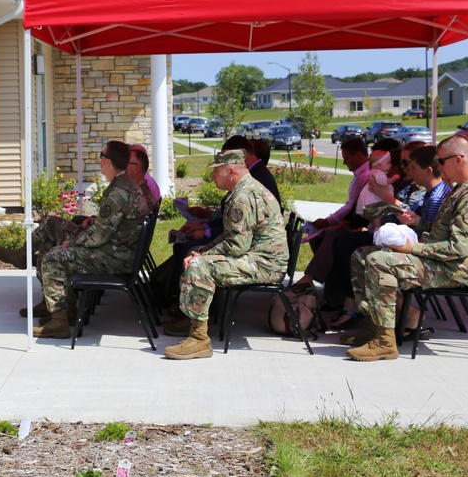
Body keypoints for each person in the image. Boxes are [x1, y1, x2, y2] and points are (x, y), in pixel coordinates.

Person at [345, 135, 468, 362]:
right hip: (440, 262)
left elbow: (458, 249)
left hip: (455, 270)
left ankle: (385, 342)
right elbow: (441, 233)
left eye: (441, 161)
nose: (437, 167)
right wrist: (418, 222)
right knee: (362, 255)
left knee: (380, 261)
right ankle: (375, 327)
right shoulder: (459, 191)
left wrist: (411, 248)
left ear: (458, 160)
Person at [164, 149, 287, 360]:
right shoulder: (244, 189)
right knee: (198, 258)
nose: (212, 176)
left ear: (230, 171)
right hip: (257, 257)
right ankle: (193, 320)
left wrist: (201, 258)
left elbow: (236, 245)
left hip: (265, 264)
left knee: (198, 267)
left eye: (216, 171)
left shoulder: (243, 196)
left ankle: (199, 339)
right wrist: (203, 250)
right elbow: (229, 235)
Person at [325, 144, 451, 331]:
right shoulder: (430, 192)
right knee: (353, 249)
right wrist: (414, 220)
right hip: (412, 243)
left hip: (425, 255)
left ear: (428, 170)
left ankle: (386, 324)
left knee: (368, 257)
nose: (407, 169)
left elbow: (434, 237)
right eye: (403, 163)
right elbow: (428, 227)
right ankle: (380, 320)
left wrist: (407, 242)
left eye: (410, 165)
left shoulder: (434, 195)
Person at [32, 140, 147, 339]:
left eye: (102, 156)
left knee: (54, 257)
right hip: (119, 251)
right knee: (55, 246)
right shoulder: (124, 184)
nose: (100, 160)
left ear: (108, 162)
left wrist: (72, 243)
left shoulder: (119, 192)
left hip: (116, 258)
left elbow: (99, 236)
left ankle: (59, 322)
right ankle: (65, 311)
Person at [309, 137, 369, 248]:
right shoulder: (362, 174)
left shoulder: (363, 176)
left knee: (321, 238)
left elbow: (350, 207)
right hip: (354, 222)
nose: (344, 162)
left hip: (358, 224)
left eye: (347, 158)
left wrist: (327, 222)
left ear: (358, 155)